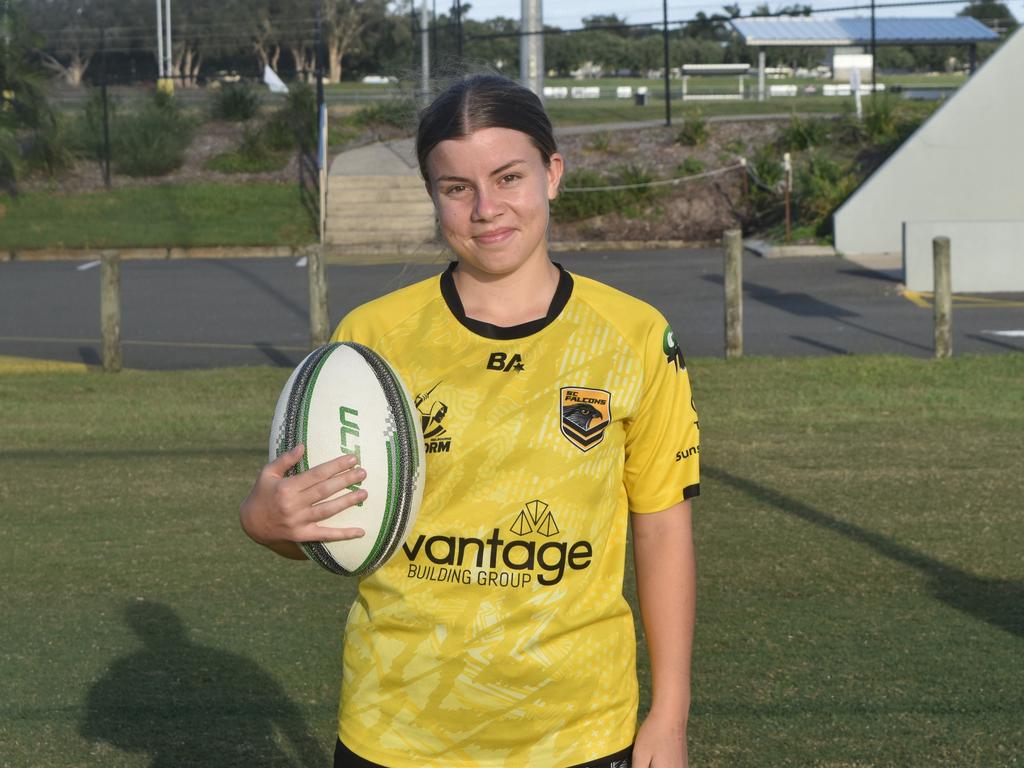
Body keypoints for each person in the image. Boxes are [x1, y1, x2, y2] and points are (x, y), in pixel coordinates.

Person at [240, 74, 700, 768]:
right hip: (397, 728)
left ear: (552, 173)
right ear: (434, 197)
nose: (487, 208)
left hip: (577, 730)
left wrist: (668, 714)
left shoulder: (634, 335)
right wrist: (265, 524)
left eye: (508, 177)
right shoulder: (374, 337)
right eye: (457, 188)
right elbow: (330, 521)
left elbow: (662, 525)